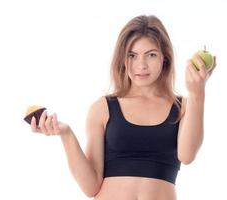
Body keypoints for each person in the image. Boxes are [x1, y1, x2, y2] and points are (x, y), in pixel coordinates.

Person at [30, 15, 216, 200]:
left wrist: (197, 93)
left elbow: (187, 155)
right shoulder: (102, 108)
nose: (141, 65)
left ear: (164, 58)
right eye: (132, 56)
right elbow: (91, 186)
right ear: (122, 60)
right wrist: (66, 134)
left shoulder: (183, 107)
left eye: (151, 55)